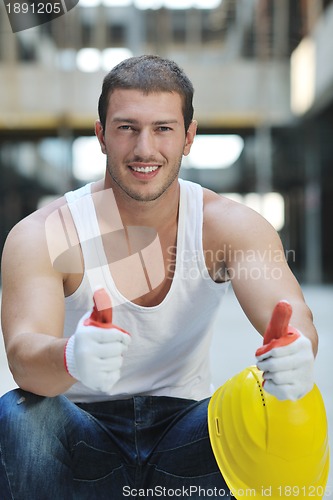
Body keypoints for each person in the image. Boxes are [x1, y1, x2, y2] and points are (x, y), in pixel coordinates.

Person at [0, 55, 316, 499]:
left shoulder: (226, 225)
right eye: (127, 127)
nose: (144, 148)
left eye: (163, 128)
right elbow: (24, 355)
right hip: (82, 439)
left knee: (283, 409)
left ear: (188, 137)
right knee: (18, 416)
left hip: (187, 441)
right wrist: (71, 357)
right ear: (101, 135)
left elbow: (290, 312)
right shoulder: (44, 234)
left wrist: (297, 350)